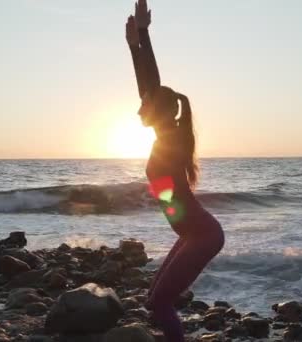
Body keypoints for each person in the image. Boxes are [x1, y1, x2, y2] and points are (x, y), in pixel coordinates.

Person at [125, 1, 225, 340]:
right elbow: (149, 88)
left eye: (144, 103)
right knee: (153, 299)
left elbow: (152, 84)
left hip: (203, 236)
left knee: (161, 303)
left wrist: (142, 35)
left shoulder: (173, 137)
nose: (139, 108)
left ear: (160, 110)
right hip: (190, 234)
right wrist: (133, 46)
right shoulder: (165, 134)